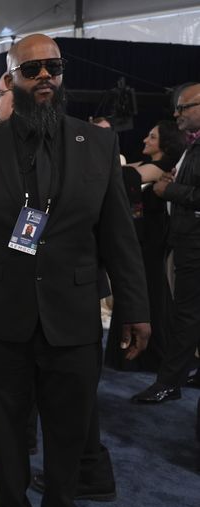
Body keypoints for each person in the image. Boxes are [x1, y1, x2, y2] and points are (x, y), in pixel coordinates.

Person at [0, 34, 150, 507]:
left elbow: (119, 237)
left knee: (70, 427)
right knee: (6, 427)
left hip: (72, 317)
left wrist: (135, 308)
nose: (45, 76)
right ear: (11, 79)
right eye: (32, 70)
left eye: (53, 67)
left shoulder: (98, 143)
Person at [132, 83, 200, 404]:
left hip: (193, 243)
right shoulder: (192, 148)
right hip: (184, 240)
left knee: (185, 315)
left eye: (184, 107)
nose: (177, 114)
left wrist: (167, 191)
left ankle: (168, 383)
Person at [106, 120, 186, 372]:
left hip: (150, 242)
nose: (145, 140)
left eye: (151, 137)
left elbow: (124, 175)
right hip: (142, 241)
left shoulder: (161, 167)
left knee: (147, 293)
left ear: (165, 143)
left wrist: (110, 162)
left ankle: (147, 354)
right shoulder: (150, 166)